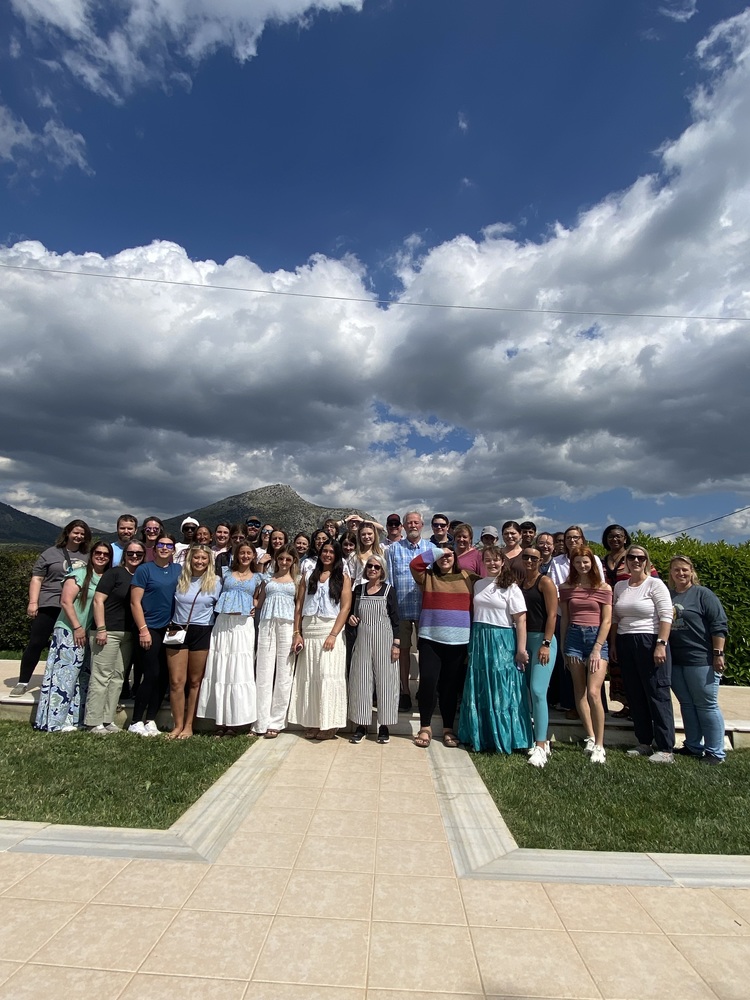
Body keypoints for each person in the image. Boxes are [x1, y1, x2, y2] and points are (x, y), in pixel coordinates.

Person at [457, 546, 530, 753]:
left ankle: (507, 736)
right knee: (480, 686)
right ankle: (480, 735)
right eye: (487, 560)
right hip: (480, 638)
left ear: (503, 562)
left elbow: (521, 619)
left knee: (502, 688)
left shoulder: (511, 587)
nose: (492, 564)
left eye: (496, 560)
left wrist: (521, 649)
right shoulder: (478, 584)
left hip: (502, 639)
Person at [35, 542, 113, 731]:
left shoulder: (104, 577)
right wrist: (77, 627)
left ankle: (73, 719)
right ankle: (54, 721)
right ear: (92, 554)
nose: (101, 556)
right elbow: (65, 601)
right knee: (64, 677)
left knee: (81, 677)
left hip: (87, 632)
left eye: (105, 554)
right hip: (70, 630)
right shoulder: (79, 573)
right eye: (98, 553)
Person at [12, 519, 92, 698]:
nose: (78, 536)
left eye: (82, 534)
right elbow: (37, 578)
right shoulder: (50, 553)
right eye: (75, 532)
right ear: (67, 533)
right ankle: (23, 681)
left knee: (75, 645)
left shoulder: (88, 555)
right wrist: (33, 602)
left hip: (77, 608)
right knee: (36, 642)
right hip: (50, 603)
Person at [611, 544, 675, 763]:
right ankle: (644, 742)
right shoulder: (620, 586)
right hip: (625, 640)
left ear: (647, 561)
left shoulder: (655, 584)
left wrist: (661, 644)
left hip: (650, 640)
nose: (636, 561)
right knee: (635, 692)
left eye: (640, 558)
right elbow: (615, 619)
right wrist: (613, 644)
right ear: (626, 561)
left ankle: (666, 747)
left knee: (657, 693)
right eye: (631, 557)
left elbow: (666, 615)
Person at [410, 544, 477, 748]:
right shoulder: (427, 577)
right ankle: (425, 726)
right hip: (430, 638)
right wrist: (439, 551)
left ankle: (448, 728)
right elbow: (415, 564)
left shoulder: (468, 577)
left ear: (456, 558)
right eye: (441, 555)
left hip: (458, 640)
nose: (445, 558)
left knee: (449, 687)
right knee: (428, 683)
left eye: (450, 555)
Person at [288, 539, 352, 740]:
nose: (327, 555)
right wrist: (297, 632)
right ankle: (314, 720)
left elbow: (345, 608)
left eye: (332, 552)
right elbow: (299, 605)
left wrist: (333, 634)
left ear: (337, 555)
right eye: (325, 551)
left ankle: (330, 723)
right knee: (310, 676)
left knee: (328, 675)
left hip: (329, 628)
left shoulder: (343, 577)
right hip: (309, 628)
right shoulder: (309, 576)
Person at [668, 556, 728, 764]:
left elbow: (718, 624)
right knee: (687, 704)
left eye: (684, 570)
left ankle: (715, 752)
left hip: (701, 659)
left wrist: (718, 654)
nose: (681, 574)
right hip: (676, 660)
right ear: (671, 573)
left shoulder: (703, 594)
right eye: (676, 570)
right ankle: (693, 745)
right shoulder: (669, 595)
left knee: (706, 705)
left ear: (692, 571)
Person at [198, 542, 261, 737]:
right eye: (241, 552)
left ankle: (236, 720)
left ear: (253, 556)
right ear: (236, 554)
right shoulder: (225, 573)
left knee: (239, 668)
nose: (244, 556)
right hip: (224, 622)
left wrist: (255, 604)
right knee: (221, 667)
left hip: (243, 625)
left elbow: (260, 599)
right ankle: (220, 719)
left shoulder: (259, 577)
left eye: (248, 553)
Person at [85, 540, 145, 733]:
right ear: (124, 555)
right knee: (101, 676)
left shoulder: (141, 576)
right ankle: (93, 721)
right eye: (130, 553)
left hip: (127, 633)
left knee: (118, 677)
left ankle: (108, 719)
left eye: (138, 554)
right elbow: (98, 601)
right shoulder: (114, 573)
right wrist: (101, 628)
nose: (134, 557)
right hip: (107, 631)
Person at [559, 546, 612, 764]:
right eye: (578, 562)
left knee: (593, 693)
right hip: (573, 638)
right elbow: (565, 619)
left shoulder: (604, 588)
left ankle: (600, 744)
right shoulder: (566, 587)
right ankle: (590, 736)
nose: (582, 565)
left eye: (586, 561)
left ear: (593, 563)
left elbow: (607, 620)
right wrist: (563, 647)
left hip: (595, 640)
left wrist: (598, 647)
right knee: (579, 692)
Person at [165, 544, 222, 739]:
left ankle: (189, 725)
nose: (199, 562)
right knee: (176, 681)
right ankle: (177, 724)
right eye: (196, 558)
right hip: (177, 630)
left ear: (209, 561)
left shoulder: (216, 582)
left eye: (203, 559)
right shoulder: (180, 578)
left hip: (202, 630)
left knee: (195, 682)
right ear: (190, 560)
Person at [129, 533, 181, 736]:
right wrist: (143, 630)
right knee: (150, 674)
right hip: (149, 627)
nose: (165, 548)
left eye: (169, 545)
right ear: (155, 547)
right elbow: (135, 602)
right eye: (161, 544)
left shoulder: (178, 570)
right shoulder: (144, 570)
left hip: (170, 629)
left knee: (163, 677)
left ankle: (150, 719)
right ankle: (135, 720)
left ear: (174, 550)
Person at [347, 553, 400, 745]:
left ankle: (384, 726)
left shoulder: (389, 591)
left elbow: (396, 620)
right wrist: (350, 619)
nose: (372, 570)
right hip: (362, 640)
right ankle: (361, 726)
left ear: (382, 570)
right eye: (370, 566)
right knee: (362, 681)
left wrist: (396, 644)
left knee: (385, 683)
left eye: (377, 567)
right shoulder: (358, 590)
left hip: (384, 641)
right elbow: (352, 615)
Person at [386, 511, 430, 713]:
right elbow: (390, 579)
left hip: (425, 608)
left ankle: (424, 690)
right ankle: (405, 692)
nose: (413, 525)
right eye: (409, 522)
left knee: (427, 651)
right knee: (402, 651)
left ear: (422, 525)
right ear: (403, 526)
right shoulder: (394, 549)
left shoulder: (431, 548)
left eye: (416, 522)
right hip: (401, 608)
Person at [254, 547, 299, 738]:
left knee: (284, 672)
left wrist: (297, 632)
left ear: (293, 561)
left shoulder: (298, 580)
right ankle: (260, 721)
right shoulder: (267, 579)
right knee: (263, 670)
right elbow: (259, 602)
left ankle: (277, 721)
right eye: (281, 558)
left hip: (287, 624)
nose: (284, 562)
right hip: (266, 623)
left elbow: (299, 606)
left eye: (288, 559)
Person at [520, 547, 559, 767]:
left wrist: (546, 643)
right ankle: (529, 737)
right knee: (525, 691)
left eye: (534, 558)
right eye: (525, 557)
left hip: (543, 642)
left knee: (537, 690)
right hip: (525, 641)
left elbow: (552, 614)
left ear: (541, 560)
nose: (529, 561)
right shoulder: (519, 583)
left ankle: (542, 744)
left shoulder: (545, 582)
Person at [600, 524, 634, 718]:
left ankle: (637, 704)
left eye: (618, 537)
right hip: (609, 615)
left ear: (625, 538)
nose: (615, 540)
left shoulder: (633, 558)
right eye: (611, 537)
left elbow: (652, 579)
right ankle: (625, 704)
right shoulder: (603, 561)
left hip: (629, 614)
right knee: (616, 662)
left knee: (631, 662)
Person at [347, 521, 385, 587]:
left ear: (375, 535)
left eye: (369, 534)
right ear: (359, 536)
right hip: (359, 590)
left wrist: (361, 519)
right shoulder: (354, 555)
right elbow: (352, 578)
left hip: (377, 590)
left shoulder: (382, 553)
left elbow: (381, 528)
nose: (366, 537)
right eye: (363, 534)